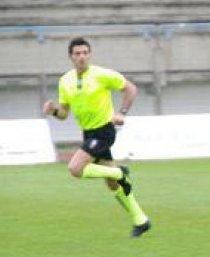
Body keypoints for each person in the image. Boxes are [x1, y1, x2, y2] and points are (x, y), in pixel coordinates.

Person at [43, 37, 151, 238]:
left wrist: (122, 112)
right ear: (71, 57)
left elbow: (131, 89)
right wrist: (53, 111)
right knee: (111, 184)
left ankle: (120, 173)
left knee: (75, 169)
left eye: (85, 53)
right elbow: (64, 113)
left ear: (89, 55)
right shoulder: (65, 81)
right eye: (77, 53)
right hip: (88, 133)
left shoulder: (102, 74)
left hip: (104, 131)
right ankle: (141, 220)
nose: (82, 57)